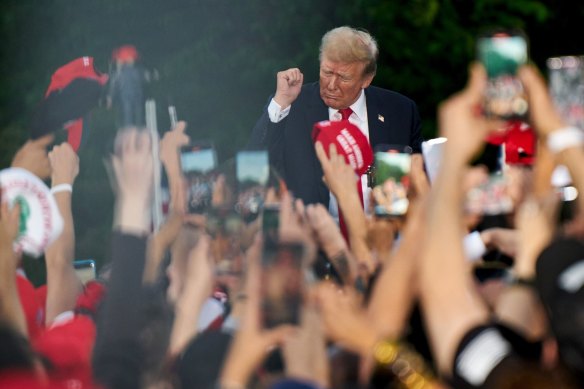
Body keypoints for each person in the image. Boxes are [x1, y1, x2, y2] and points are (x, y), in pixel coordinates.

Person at [249, 26, 423, 209]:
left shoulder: (400, 111)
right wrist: (280, 103)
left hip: (383, 232)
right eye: (327, 72)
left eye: (344, 77)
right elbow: (253, 166)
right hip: (311, 233)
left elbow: (421, 181)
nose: (331, 85)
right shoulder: (293, 106)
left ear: (367, 79)